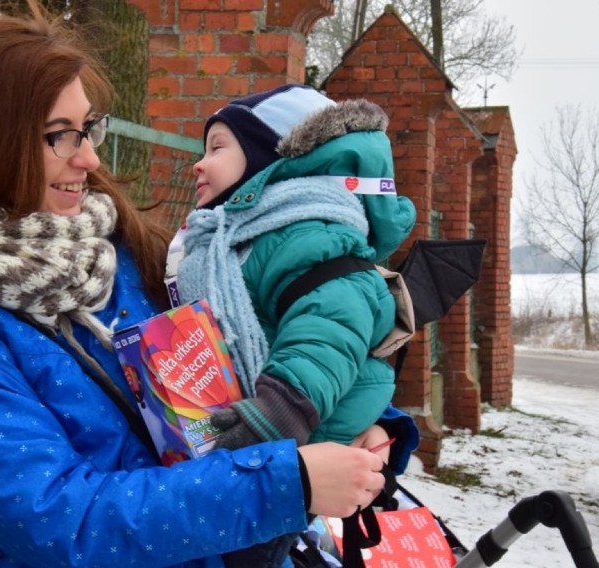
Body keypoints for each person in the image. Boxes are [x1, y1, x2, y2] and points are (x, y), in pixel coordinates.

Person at [0, 3, 414, 566]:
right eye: (60, 136)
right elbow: (62, 523)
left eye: (88, 126)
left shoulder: (127, 251)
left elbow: (270, 339)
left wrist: (352, 427)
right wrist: (287, 485)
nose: (90, 157)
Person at [167, 85, 419, 565]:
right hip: (274, 439)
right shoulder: (237, 240)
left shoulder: (304, 232)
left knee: (250, 549)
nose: (199, 164)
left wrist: (280, 409)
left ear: (270, 161)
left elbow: (331, 322)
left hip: (297, 425)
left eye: (218, 148)